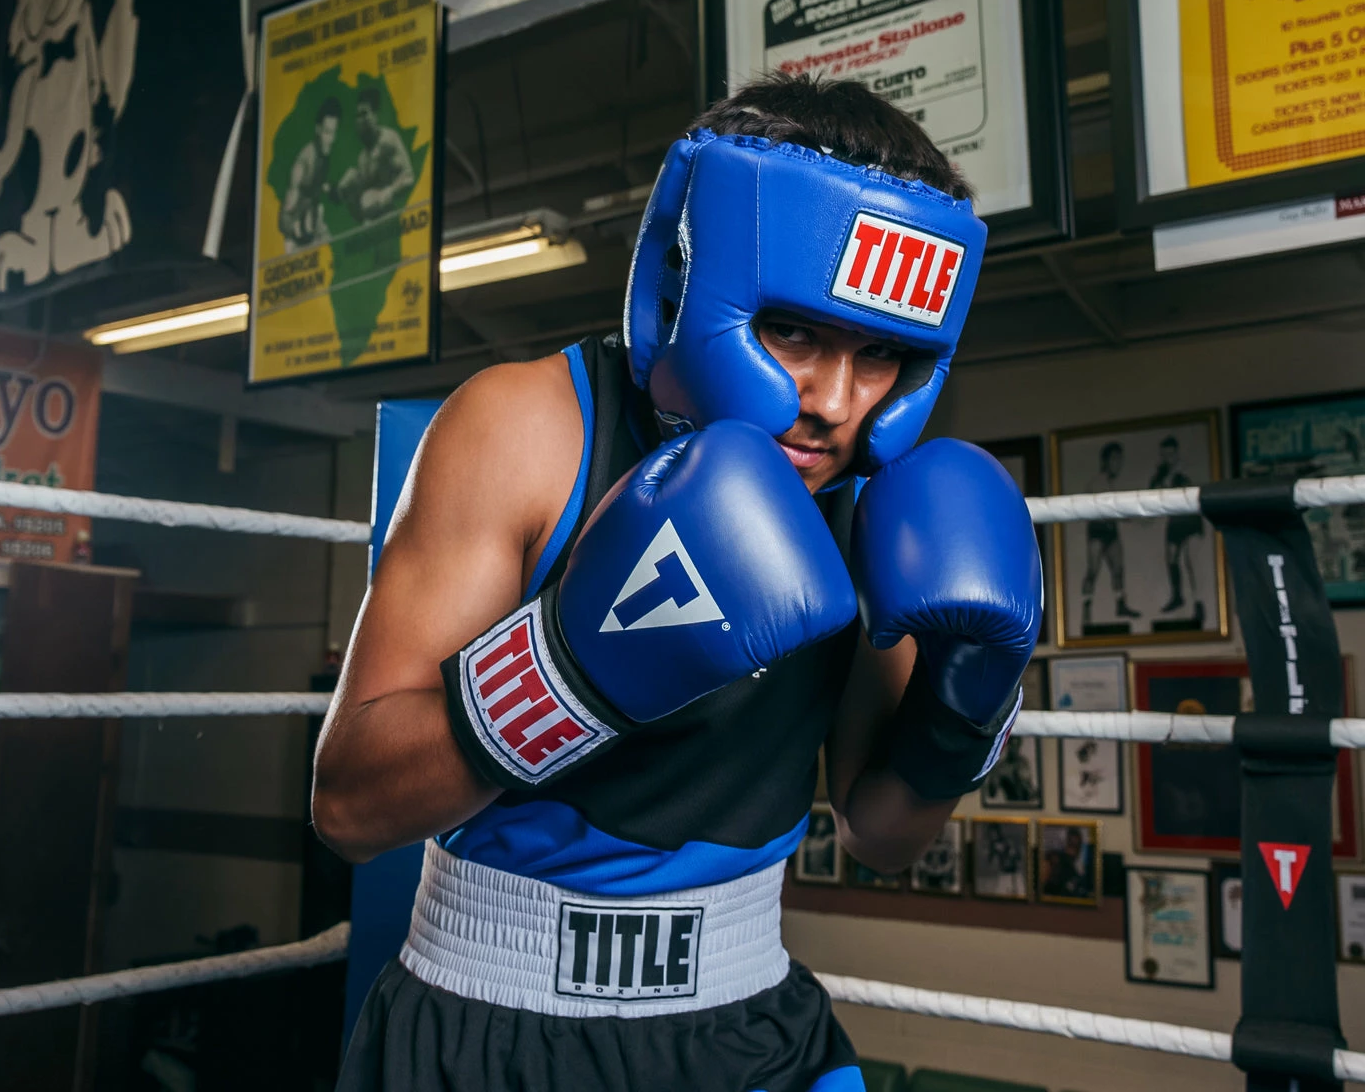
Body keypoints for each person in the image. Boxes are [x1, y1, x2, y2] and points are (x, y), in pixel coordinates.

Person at [313, 73, 1042, 1092]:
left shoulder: (868, 497)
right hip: (496, 1024)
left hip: (754, 1025)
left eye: (880, 354)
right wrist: (573, 670)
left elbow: (881, 834)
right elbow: (349, 808)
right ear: (685, 284)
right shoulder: (527, 430)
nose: (834, 404)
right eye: (794, 334)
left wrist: (969, 702)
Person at [332, 85, 414, 223]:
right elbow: (363, 210)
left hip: (394, 220)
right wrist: (348, 194)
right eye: (358, 116)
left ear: (375, 115)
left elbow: (408, 177)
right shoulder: (363, 158)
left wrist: (387, 193)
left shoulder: (388, 140)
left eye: (365, 114)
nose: (361, 120)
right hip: (372, 226)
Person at [1080, 441, 1137, 624]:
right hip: (1098, 531)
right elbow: (1100, 510)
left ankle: (1121, 604)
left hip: (1111, 531)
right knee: (1093, 571)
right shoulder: (1097, 482)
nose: (1118, 463)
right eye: (1114, 459)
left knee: (1118, 569)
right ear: (1106, 461)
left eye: (1120, 459)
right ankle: (1086, 607)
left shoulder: (1112, 483)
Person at [1147, 435, 1203, 618]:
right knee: (1171, 559)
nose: (1167, 459)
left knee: (1190, 561)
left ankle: (1198, 602)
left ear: (1176, 453)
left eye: (1170, 455)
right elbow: (1153, 494)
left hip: (1190, 521)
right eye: (1164, 455)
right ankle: (1177, 596)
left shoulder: (1185, 471)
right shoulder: (1162, 473)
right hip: (1175, 522)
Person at [279, 96, 340, 251]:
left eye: (333, 133)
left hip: (313, 220)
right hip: (297, 234)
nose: (331, 139)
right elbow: (286, 214)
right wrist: (296, 230)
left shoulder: (323, 156)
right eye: (327, 132)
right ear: (318, 130)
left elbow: (315, 185)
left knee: (334, 252)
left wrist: (329, 188)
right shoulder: (304, 162)